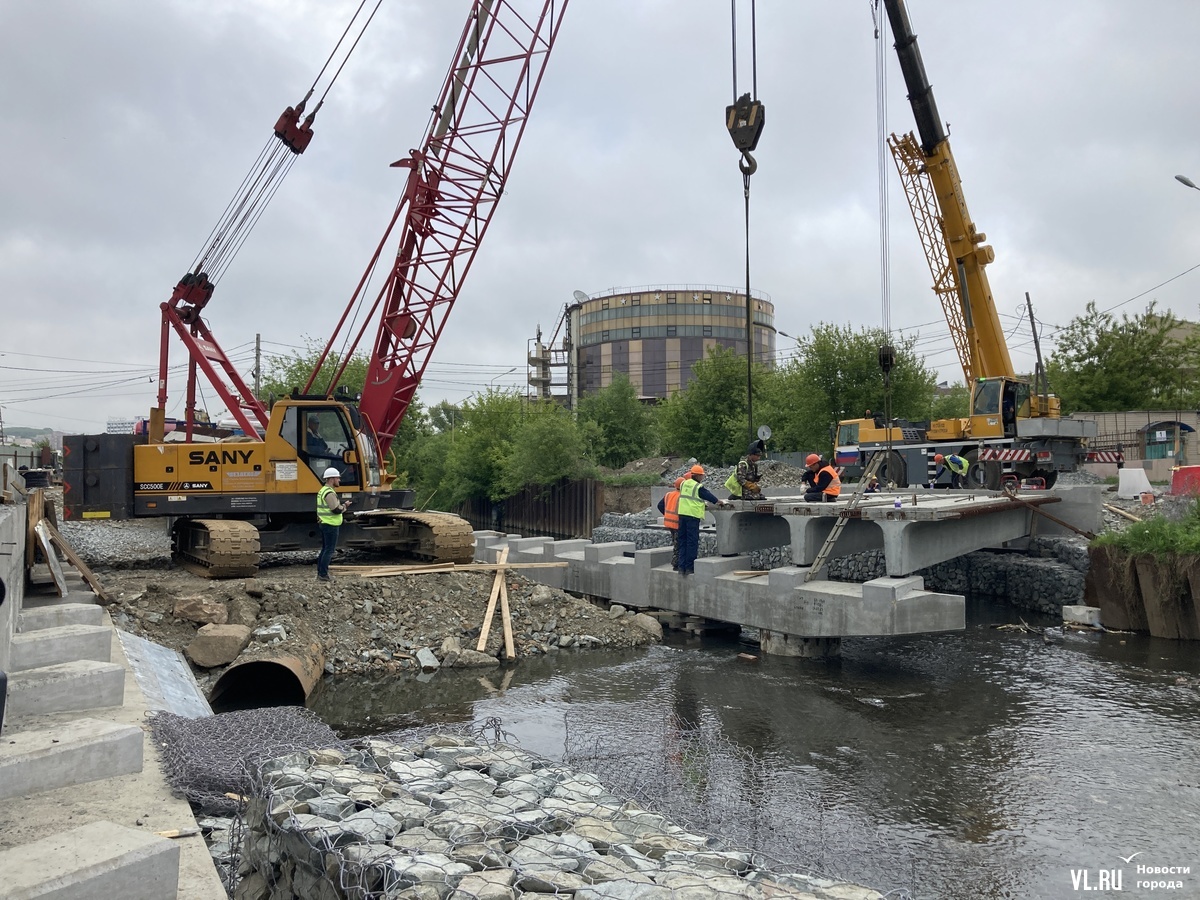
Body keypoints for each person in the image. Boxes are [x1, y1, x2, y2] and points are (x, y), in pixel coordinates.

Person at [677, 464, 723, 575]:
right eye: (702, 476)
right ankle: (689, 568)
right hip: (692, 516)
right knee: (692, 542)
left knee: (682, 541)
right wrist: (718, 501)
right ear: (697, 476)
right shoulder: (698, 487)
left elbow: (690, 498)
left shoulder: (683, 483)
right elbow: (707, 495)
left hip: (682, 515)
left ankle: (681, 567)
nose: (702, 477)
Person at [316, 466, 351, 583]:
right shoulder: (329, 492)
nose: (339, 480)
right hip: (330, 524)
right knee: (329, 550)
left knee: (325, 549)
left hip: (325, 523)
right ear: (331, 479)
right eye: (338, 478)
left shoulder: (323, 490)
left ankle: (321, 573)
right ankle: (323, 575)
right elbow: (335, 509)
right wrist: (345, 506)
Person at [657, 477, 685, 569]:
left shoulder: (669, 494)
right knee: (678, 544)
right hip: (677, 523)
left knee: (675, 542)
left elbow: (660, 505)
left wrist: (667, 515)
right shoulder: (682, 496)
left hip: (669, 523)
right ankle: (676, 564)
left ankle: (677, 562)